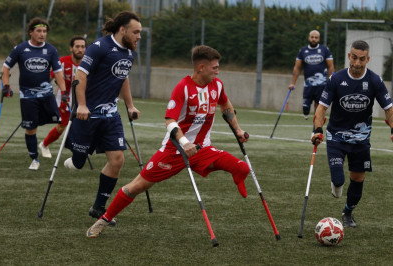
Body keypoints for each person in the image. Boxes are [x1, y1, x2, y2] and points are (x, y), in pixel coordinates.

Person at [86, 45, 251, 238]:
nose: (218, 71)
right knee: (137, 186)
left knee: (242, 168)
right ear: (201, 68)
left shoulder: (217, 85)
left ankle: (230, 173)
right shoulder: (183, 88)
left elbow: (225, 105)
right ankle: (104, 219)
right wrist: (183, 142)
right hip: (175, 150)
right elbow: (170, 121)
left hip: (202, 148)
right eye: (214, 67)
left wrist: (237, 129)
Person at [64, 11, 142, 225]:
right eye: (136, 32)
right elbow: (80, 76)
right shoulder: (100, 47)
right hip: (87, 114)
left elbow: (122, 78)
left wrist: (130, 105)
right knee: (79, 163)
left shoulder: (130, 52)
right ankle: (76, 158)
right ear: (123, 30)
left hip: (110, 115)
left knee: (117, 160)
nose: (139, 36)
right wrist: (81, 105)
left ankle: (98, 207)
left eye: (140, 33)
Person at [311, 40, 393, 228]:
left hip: (361, 141)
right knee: (338, 181)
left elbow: (389, 109)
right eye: (354, 58)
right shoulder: (336, 79)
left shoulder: (374, 81)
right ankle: (337, 183)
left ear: (368, 59)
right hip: (336, 137)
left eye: (361, 59)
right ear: (349, 56)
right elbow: (321, 109)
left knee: (357, 180)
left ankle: (347, 213)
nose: (357, 63)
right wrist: (317, 130)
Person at [1, 17, 67, 170]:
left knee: (62, 122)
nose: (42, 34)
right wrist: (6, 85)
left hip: (47, 96)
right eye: (39, 31)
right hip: (28, 97)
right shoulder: (20, 49)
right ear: (31, 32)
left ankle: (72, 150)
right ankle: (34, 158)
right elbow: (6, 67)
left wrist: (63, 91)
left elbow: (58, 72)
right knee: (31, 128)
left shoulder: (51, 50)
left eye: (44, 31)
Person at [39, 36, 87, 158]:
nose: (80, 49)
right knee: (62, 126)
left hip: (83, 100)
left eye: (82, 47)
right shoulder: (62, 62)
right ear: (71, 48)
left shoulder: (88, 64)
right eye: (77, 46)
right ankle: (44, 144)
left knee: (85, 125)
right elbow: (49, 78)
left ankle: (78, 151)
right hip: (65, 100)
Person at [289, 30, 334, 120]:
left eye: (316, 37)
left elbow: (330, 66)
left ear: (319, 39)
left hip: (321, 85)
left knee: (318, 108)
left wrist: (331, 80)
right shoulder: (303, 50)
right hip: (308, 84)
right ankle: (306, 113)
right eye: (312, 37)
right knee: (305, 107)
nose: (314, 39)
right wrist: (293, 83)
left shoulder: (325, 50)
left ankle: (315, 130)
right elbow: (297, 68)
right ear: (309, 38)